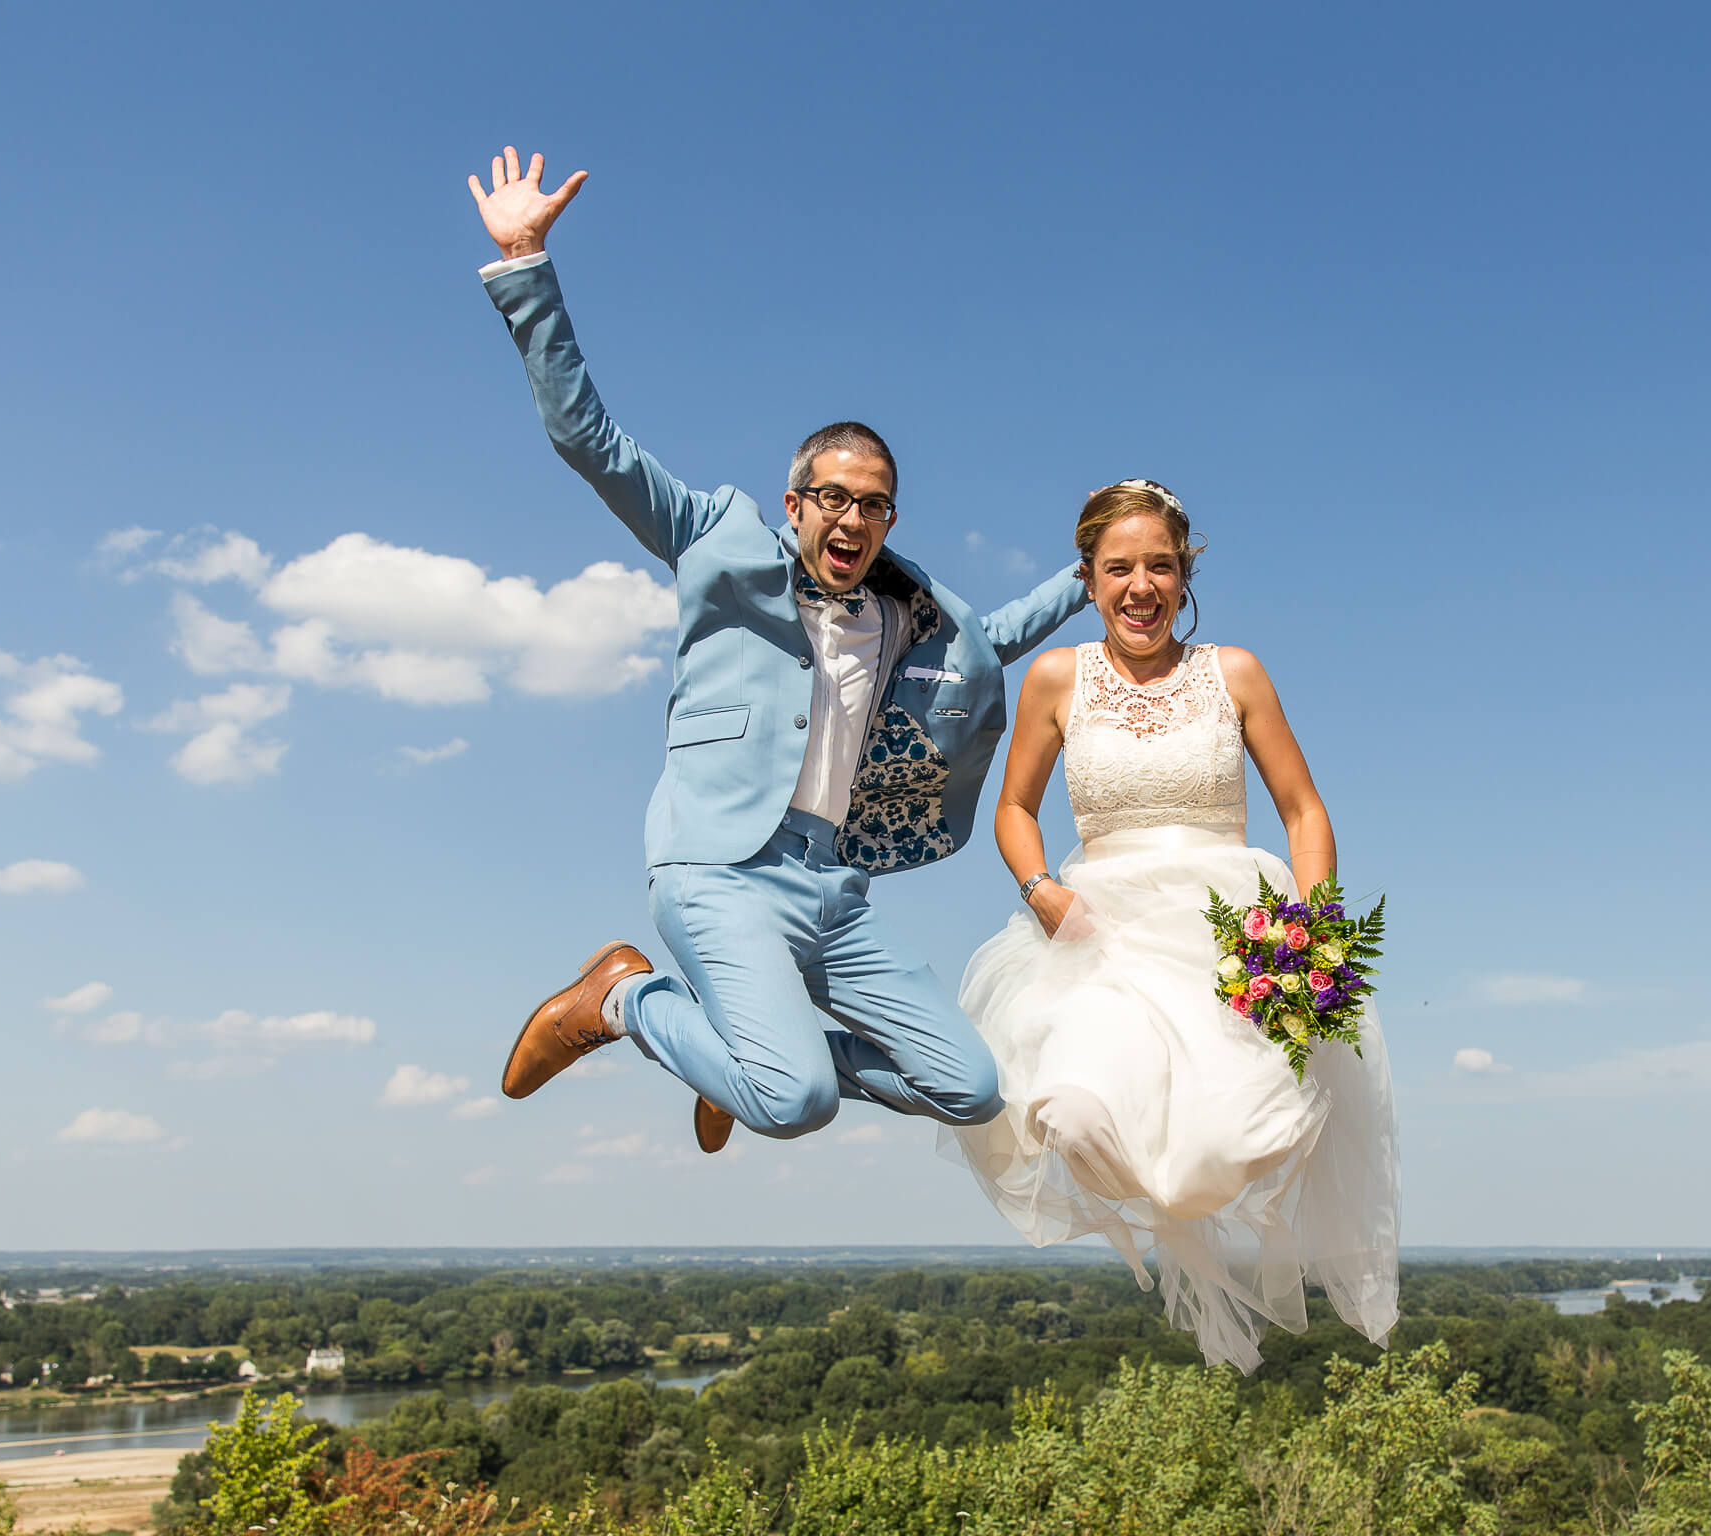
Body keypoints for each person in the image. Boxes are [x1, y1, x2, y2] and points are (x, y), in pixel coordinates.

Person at [465, 146, 1088, 1152]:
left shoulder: (904, 612)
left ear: (890, 520)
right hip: (718, 867)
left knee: (970, 1089)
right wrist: (526, 268)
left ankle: (738, 1047)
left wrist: (1093, 572)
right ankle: (622, 1001)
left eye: (873, 504)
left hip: (830, 888)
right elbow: (594, 442)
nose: (852, 517)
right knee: (795, 1103)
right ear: (796, 502)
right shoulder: (715, 537)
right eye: (832, 498)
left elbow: (995, 639)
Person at [945, 479, 1400, 1372]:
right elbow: (1012, 808)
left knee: (1227, 1146)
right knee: (1073, 1116)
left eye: (1160, 565)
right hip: (1099, 939)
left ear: (1185, 574)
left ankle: (1199, 1193)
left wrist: (1310, 935)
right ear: (1088, 578)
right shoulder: (1053, 678)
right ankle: (1163, 1206)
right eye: (1119, 568)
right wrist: (1041, 891)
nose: (1140, 585)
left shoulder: (1234, 672)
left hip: (1228, 937)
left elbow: (1304, 811)